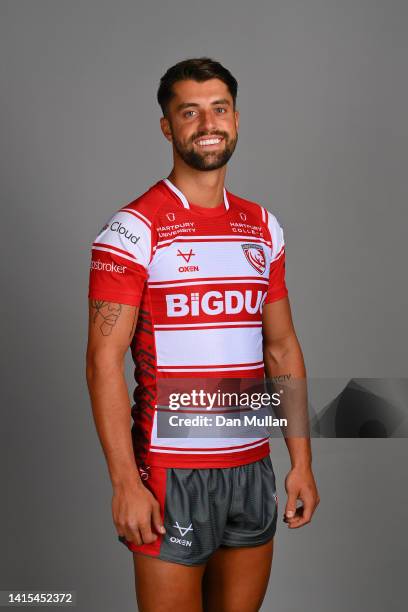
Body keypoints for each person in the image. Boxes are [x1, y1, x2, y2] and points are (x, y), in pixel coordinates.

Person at [86, 57, 320, 612]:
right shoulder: (133, 228)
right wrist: (125, 482)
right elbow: (102, 362)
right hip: (171, 475)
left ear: (236, 118)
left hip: (252, 467)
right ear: (168, 126)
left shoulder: (264, 227)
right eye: (188, 112)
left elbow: (281, 346)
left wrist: (301, 463)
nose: (206, 123)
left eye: (218, 109)